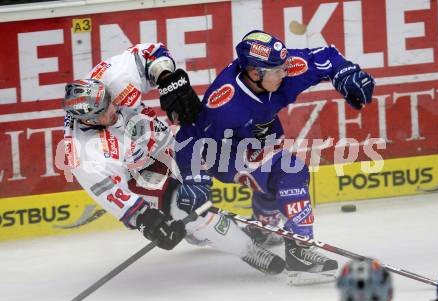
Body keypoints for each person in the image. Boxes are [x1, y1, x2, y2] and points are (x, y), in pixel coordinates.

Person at [62, 42, 285, 275]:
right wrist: (146, 220)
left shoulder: (111, 76)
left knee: (219, 151)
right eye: (102, 113)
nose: (111, 109)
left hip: (161, 140)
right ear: (86, 120)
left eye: (109, 99)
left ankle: (199, 231)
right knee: (187, 208)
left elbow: (150, 52)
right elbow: (112, 195)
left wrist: (166, 77)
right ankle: (249, 250)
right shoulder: (83, 154)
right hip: (137, 172)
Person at [174, 30, 375, 285]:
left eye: (284, 66)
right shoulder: (224, 102)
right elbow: (189, 137)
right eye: (277, 70)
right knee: (291, 171)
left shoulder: (281, 69)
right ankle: (300, 251)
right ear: (255, 73)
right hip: (224, 154)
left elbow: (326, 56)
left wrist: (346, 72)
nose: (286, 72)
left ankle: (265, 227)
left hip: (260, 141)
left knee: (275, 176)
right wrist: (193, 179)